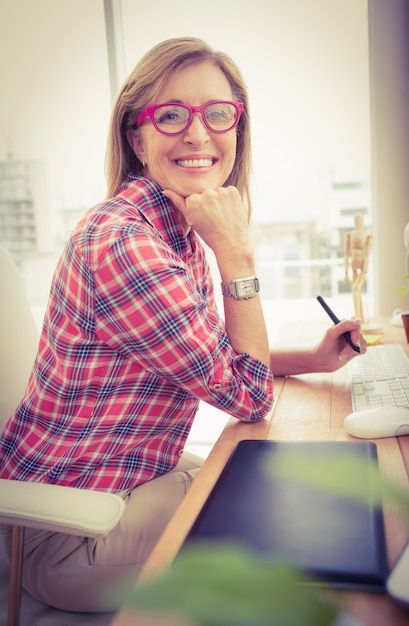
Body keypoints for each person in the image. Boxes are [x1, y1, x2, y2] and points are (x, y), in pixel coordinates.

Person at [0, 37, 366, 613]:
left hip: (128, 485)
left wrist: (309, 359)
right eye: (170, 115)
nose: (198, 135)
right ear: (136, 137)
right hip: (74, 538)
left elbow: (210, 353)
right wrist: (237, 253)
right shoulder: (125, 244)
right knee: (308, 532)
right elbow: (247, 396)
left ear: (237, 129)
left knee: (302, 490)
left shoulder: (171, 225)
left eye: (218, 113)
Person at [344, 214, 373, 321]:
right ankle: (361, 317)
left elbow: (367, 254)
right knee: (357, 290)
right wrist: (346, 273)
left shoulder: (367, 236)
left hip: (362, 266)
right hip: (353, 266)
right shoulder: (350, 235)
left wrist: (365, 269)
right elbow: (346, 255)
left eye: (360, 220)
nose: (358, 222)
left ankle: (358, 316)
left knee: (356, 289)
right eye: (357, 220)